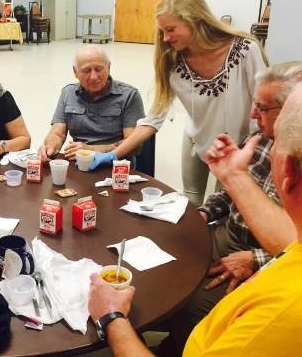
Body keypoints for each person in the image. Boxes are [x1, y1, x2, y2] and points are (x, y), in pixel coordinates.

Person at [88, 82, 302, 357]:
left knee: (181, 297)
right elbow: (285, 241)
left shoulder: (280, 314)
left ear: (287, 173)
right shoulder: (291, 251)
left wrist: (112, 318)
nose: (253, 116)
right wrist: (235, 178)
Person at [157, 61, 302, 356]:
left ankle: (174, 345)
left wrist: (257, 258)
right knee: (163, 264)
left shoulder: (289, 158)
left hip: (254, 252)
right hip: (226, 233)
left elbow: (291, 246)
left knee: (188, 302)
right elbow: (228, 197)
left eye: (263, 108)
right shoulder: (258, 140)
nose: (252, 115)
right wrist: (203, 214)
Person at [91, 0, 268, 205]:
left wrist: (252, 150)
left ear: (194, 20)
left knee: (229, 205)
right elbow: (154, 119)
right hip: (197, 139)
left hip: (240, 144)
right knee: (191, 203)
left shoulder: (245, 50)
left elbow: (264, 104)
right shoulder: (172, 62)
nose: (165, 38)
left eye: (171, 29)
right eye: (163, 31)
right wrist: (114, 154)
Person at [38, 44, 145, 164]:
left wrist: (92, 150)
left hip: (117, 169)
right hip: (80, 166)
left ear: (109, 67)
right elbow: (57, 133)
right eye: (86, 70)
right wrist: (49, 147)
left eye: (99, 69)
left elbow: (134, 145)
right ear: (75, 72)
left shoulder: (128, 95)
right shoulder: (68, 93)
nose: (94, 76)